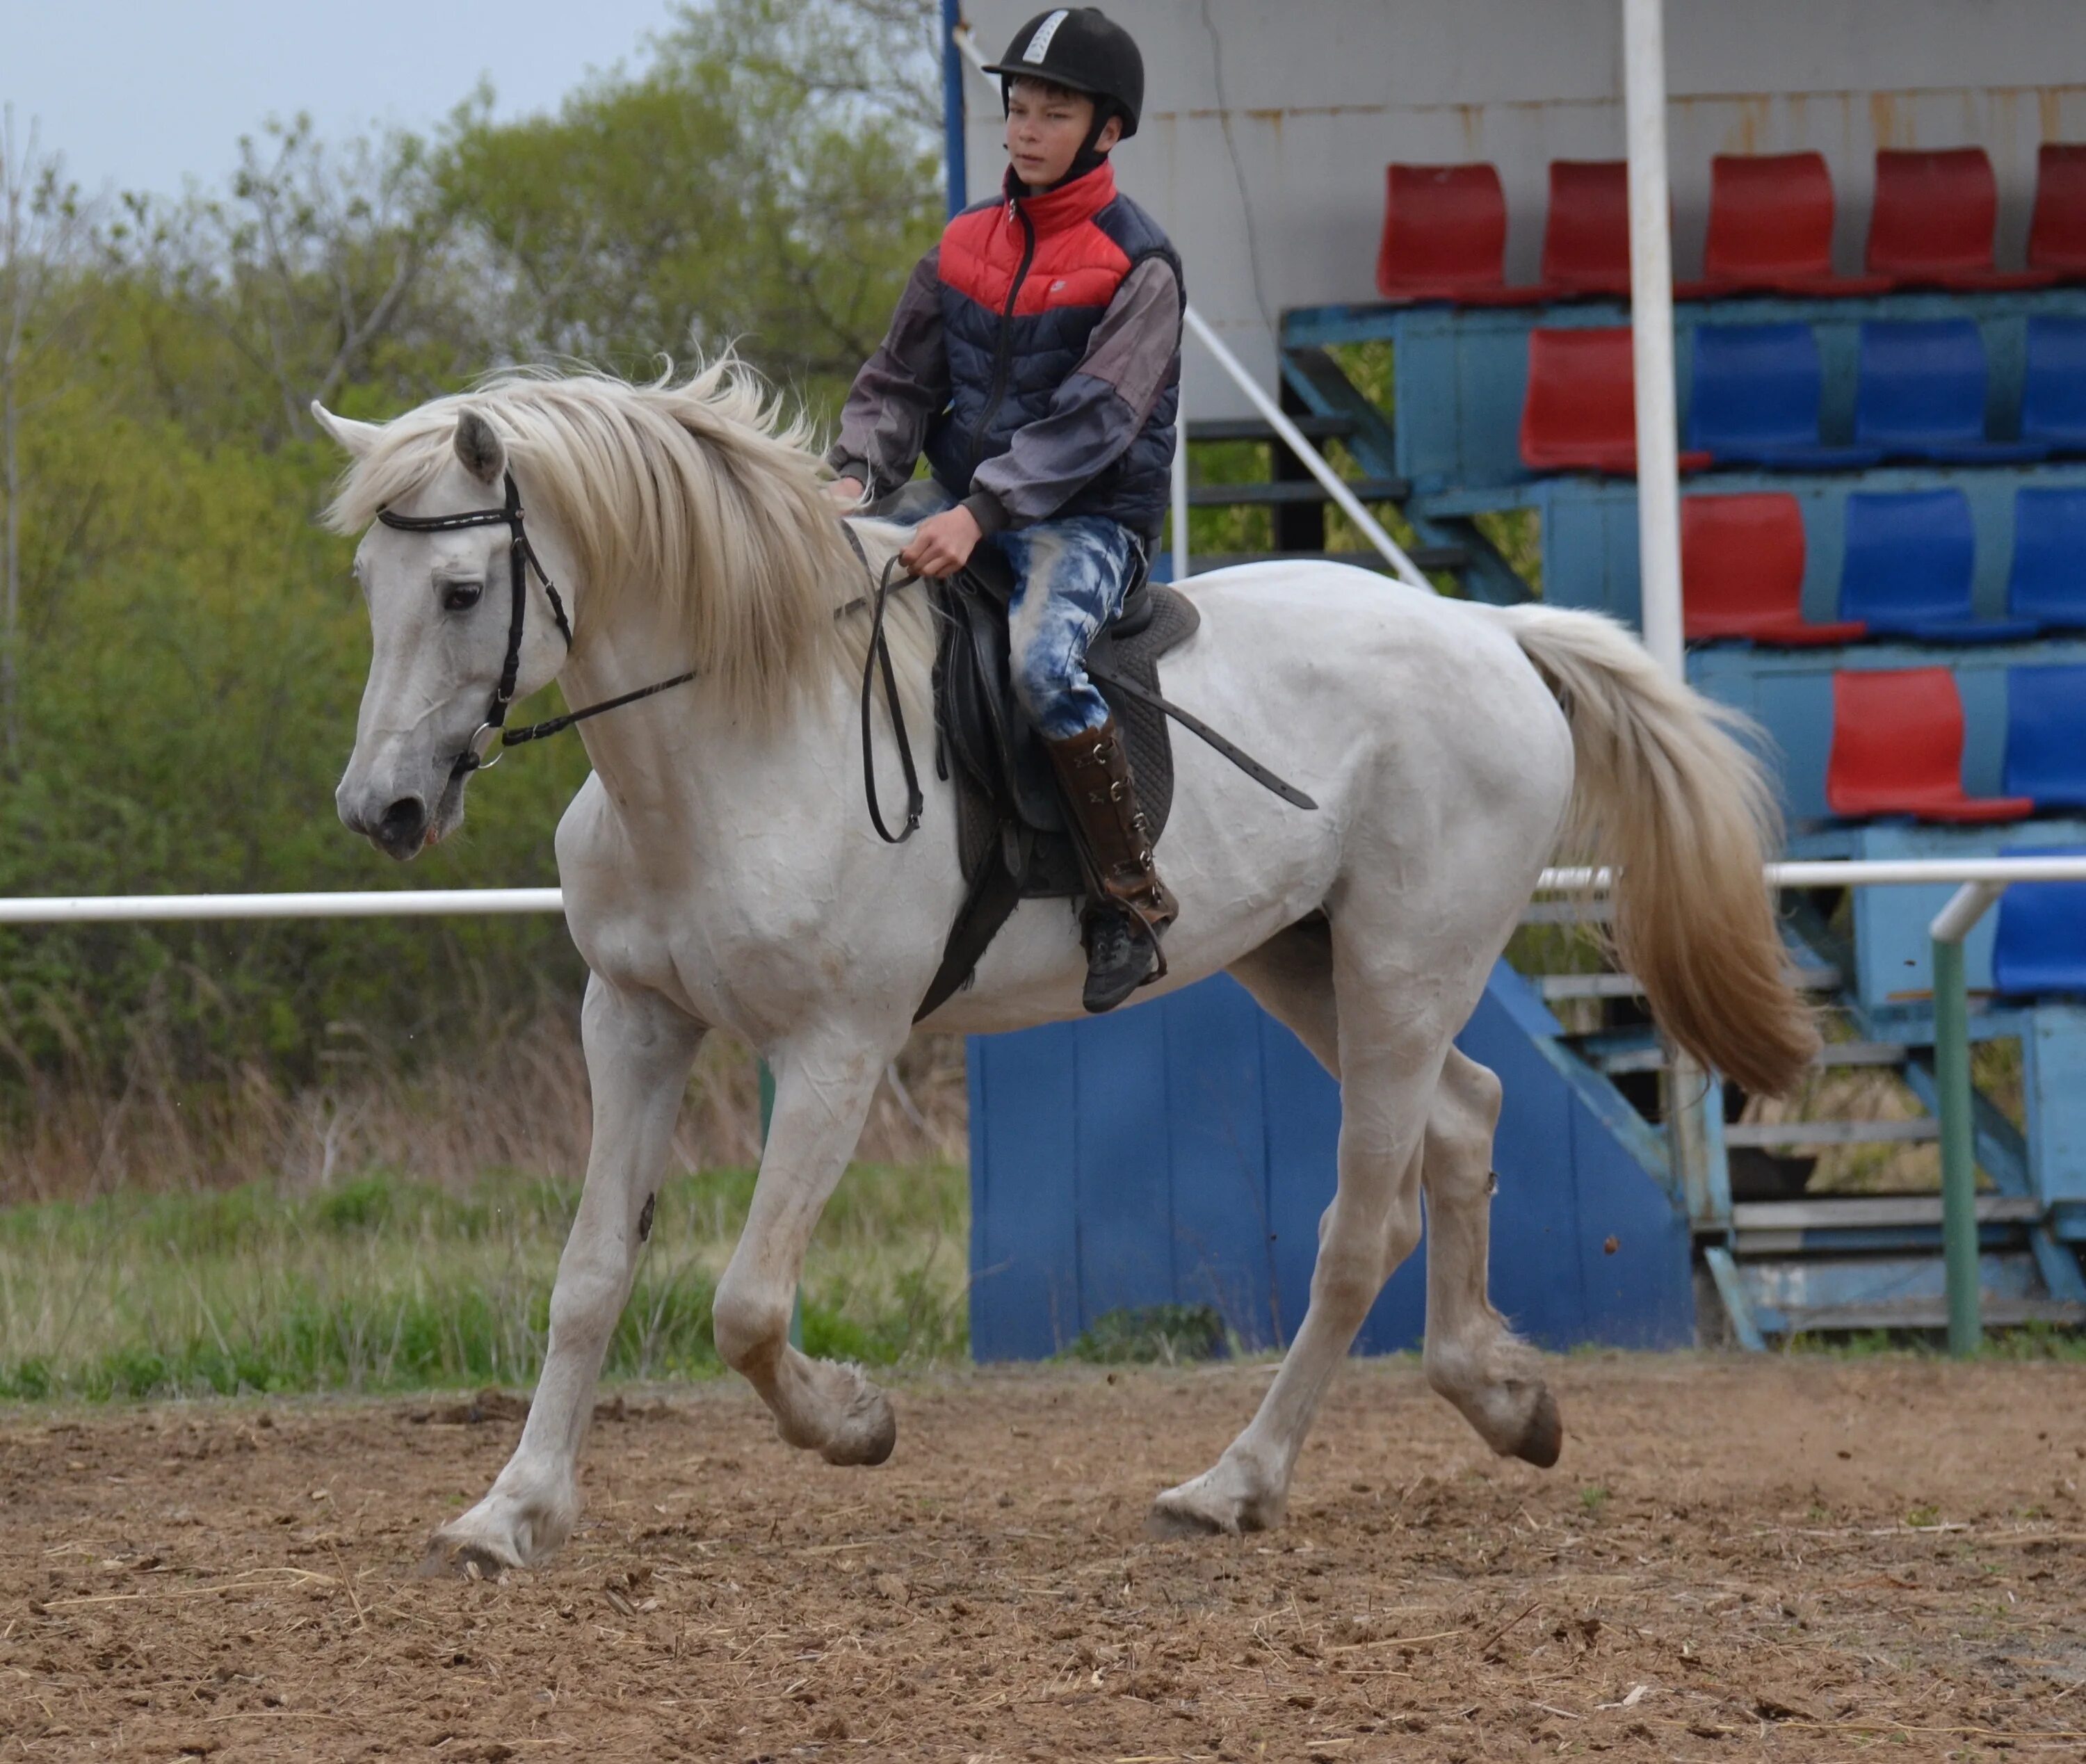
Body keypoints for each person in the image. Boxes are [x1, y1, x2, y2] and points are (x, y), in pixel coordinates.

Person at [825, 7, 1184, 1015]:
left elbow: (1097, 419)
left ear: (1107, 129)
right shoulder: (963, 243)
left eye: (1052, 112)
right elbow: (899, 381)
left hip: (1087, 519)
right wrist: (856, 477)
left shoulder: (1140, 262)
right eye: (1017, 108)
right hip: (964, 502)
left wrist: (982, 512)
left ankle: (1128, 899)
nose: (1024, 129)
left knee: (1039, 663)